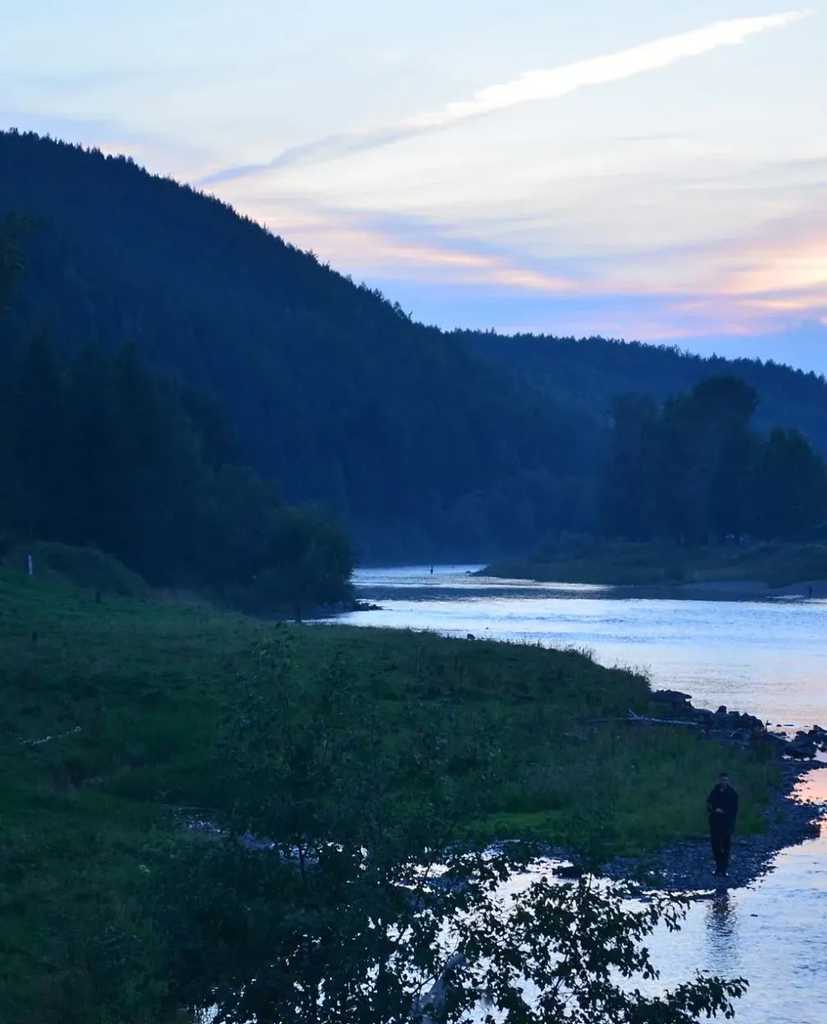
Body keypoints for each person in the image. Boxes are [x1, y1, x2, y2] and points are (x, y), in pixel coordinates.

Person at [707, 772, 739, 877]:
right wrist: (714, 810)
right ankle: (718, 868)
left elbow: (734, 810)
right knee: (715, 846)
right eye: (722, 780)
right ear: (719, 780)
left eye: (725, 780)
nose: (723, 782)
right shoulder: (715, 791)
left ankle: (724, 870)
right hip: (715, 823)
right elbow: (709, 804)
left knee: (726, 847)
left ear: (728, 781)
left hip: (726, 824)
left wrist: (724, 812)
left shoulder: (732, 793)